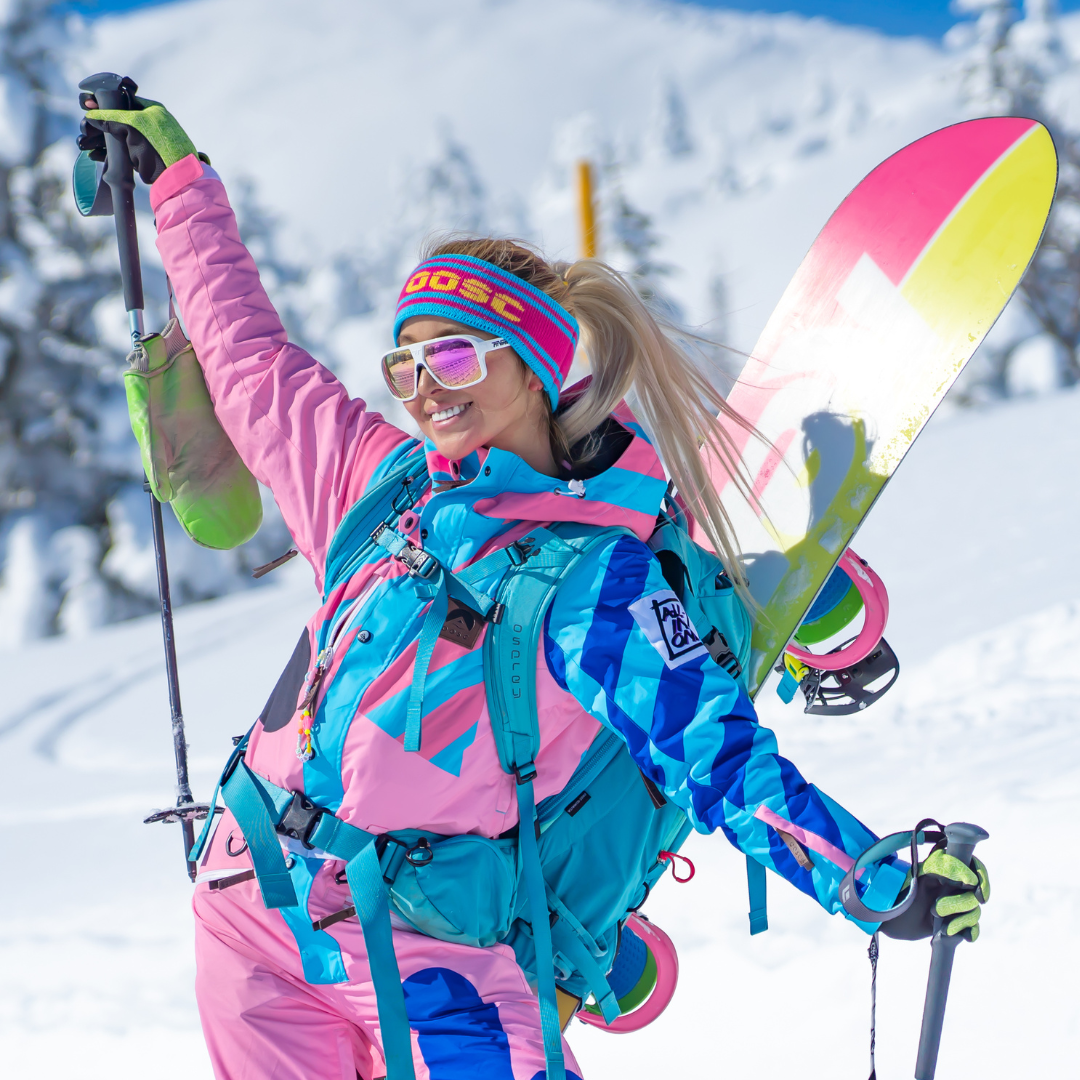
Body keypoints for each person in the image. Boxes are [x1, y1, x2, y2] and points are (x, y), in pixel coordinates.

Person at [78, 97, 990, 1080]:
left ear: (535, 368)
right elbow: (247, 355)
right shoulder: (371, 483)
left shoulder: (595, 581)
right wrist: (179, 190)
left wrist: (869, 880)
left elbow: (719, 762)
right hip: (251, 908)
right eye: (405, 365)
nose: (425, 389)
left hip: (427, 957)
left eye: (456, 356)